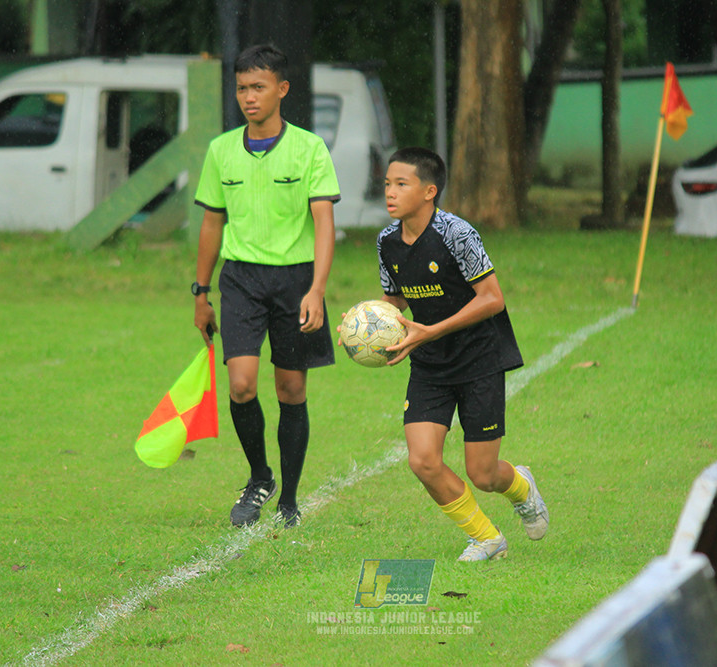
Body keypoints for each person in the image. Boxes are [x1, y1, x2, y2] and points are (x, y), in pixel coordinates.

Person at [371, 147, 548, 561]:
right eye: (386, 184)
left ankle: (521, 487)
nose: (390, 193)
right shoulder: (386, 241)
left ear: (429, 191)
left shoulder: (457, 233)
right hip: (430, 363)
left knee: (483, 473)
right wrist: (367, 325)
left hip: (479, 359)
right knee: (423, 461)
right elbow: (393, 303)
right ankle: (486, 537)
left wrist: (432, 329)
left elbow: (492, 299)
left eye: (401, 184)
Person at [193, 44, 340, 529]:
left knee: (291, 388)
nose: (248, 97)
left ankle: (290, 500)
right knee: (240, 385)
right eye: (241, 88)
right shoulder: (220, 151)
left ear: (282, 89)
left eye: (258, 87)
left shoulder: (309, 149)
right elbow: (212, 225)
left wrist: (316, 289)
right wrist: (200, 292)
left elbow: (323, 225)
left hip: (295, 280)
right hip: (240, 279)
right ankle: (260, 478)